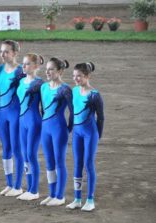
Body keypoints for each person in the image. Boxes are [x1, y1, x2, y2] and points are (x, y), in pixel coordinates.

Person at [66, 62, 104, 212]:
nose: (76, 79)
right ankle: (77, 199)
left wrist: (98, 135)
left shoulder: (94, 95)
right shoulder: (74, 91)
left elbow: (101, 118)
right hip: (77, 133)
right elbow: (72, 113)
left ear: (87, 76)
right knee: (77, 164)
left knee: (88, 164)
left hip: (90, 133)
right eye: (74, 76)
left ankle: (90, 199)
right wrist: (70, 129)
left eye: (79, 76)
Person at [40, 58, 73, 206]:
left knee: (59, 162)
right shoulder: (44, 87)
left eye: (51, 69)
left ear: (60, 71)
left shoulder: (65, 89)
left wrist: (69, 128)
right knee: (49, 162)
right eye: (47, 69)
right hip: (45, 129)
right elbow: (43, 108)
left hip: (59, 129)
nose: (47, 72)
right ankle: (52, 193)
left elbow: (73, 112)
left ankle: (60, 196)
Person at [0, 40, 24, 197]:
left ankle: (18, 185)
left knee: (16, 149)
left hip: (15, 114)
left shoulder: (20, 71)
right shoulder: (0, 69)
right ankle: (9, 184)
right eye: (1, 51)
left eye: (6, 51)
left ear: (15, 53)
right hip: (2, 114)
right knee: (6, 148)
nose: (3, 54)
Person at [16, 53, 44, 200]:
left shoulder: (39, 84)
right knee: (25, 155)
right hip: (22, 122)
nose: (23, 66)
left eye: (27, 64)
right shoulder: (21, 82)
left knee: (31, 155)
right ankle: (29, 187)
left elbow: (46, 106)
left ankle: (34, 190)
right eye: (23, 63)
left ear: (35, 66)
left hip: (34, 121)